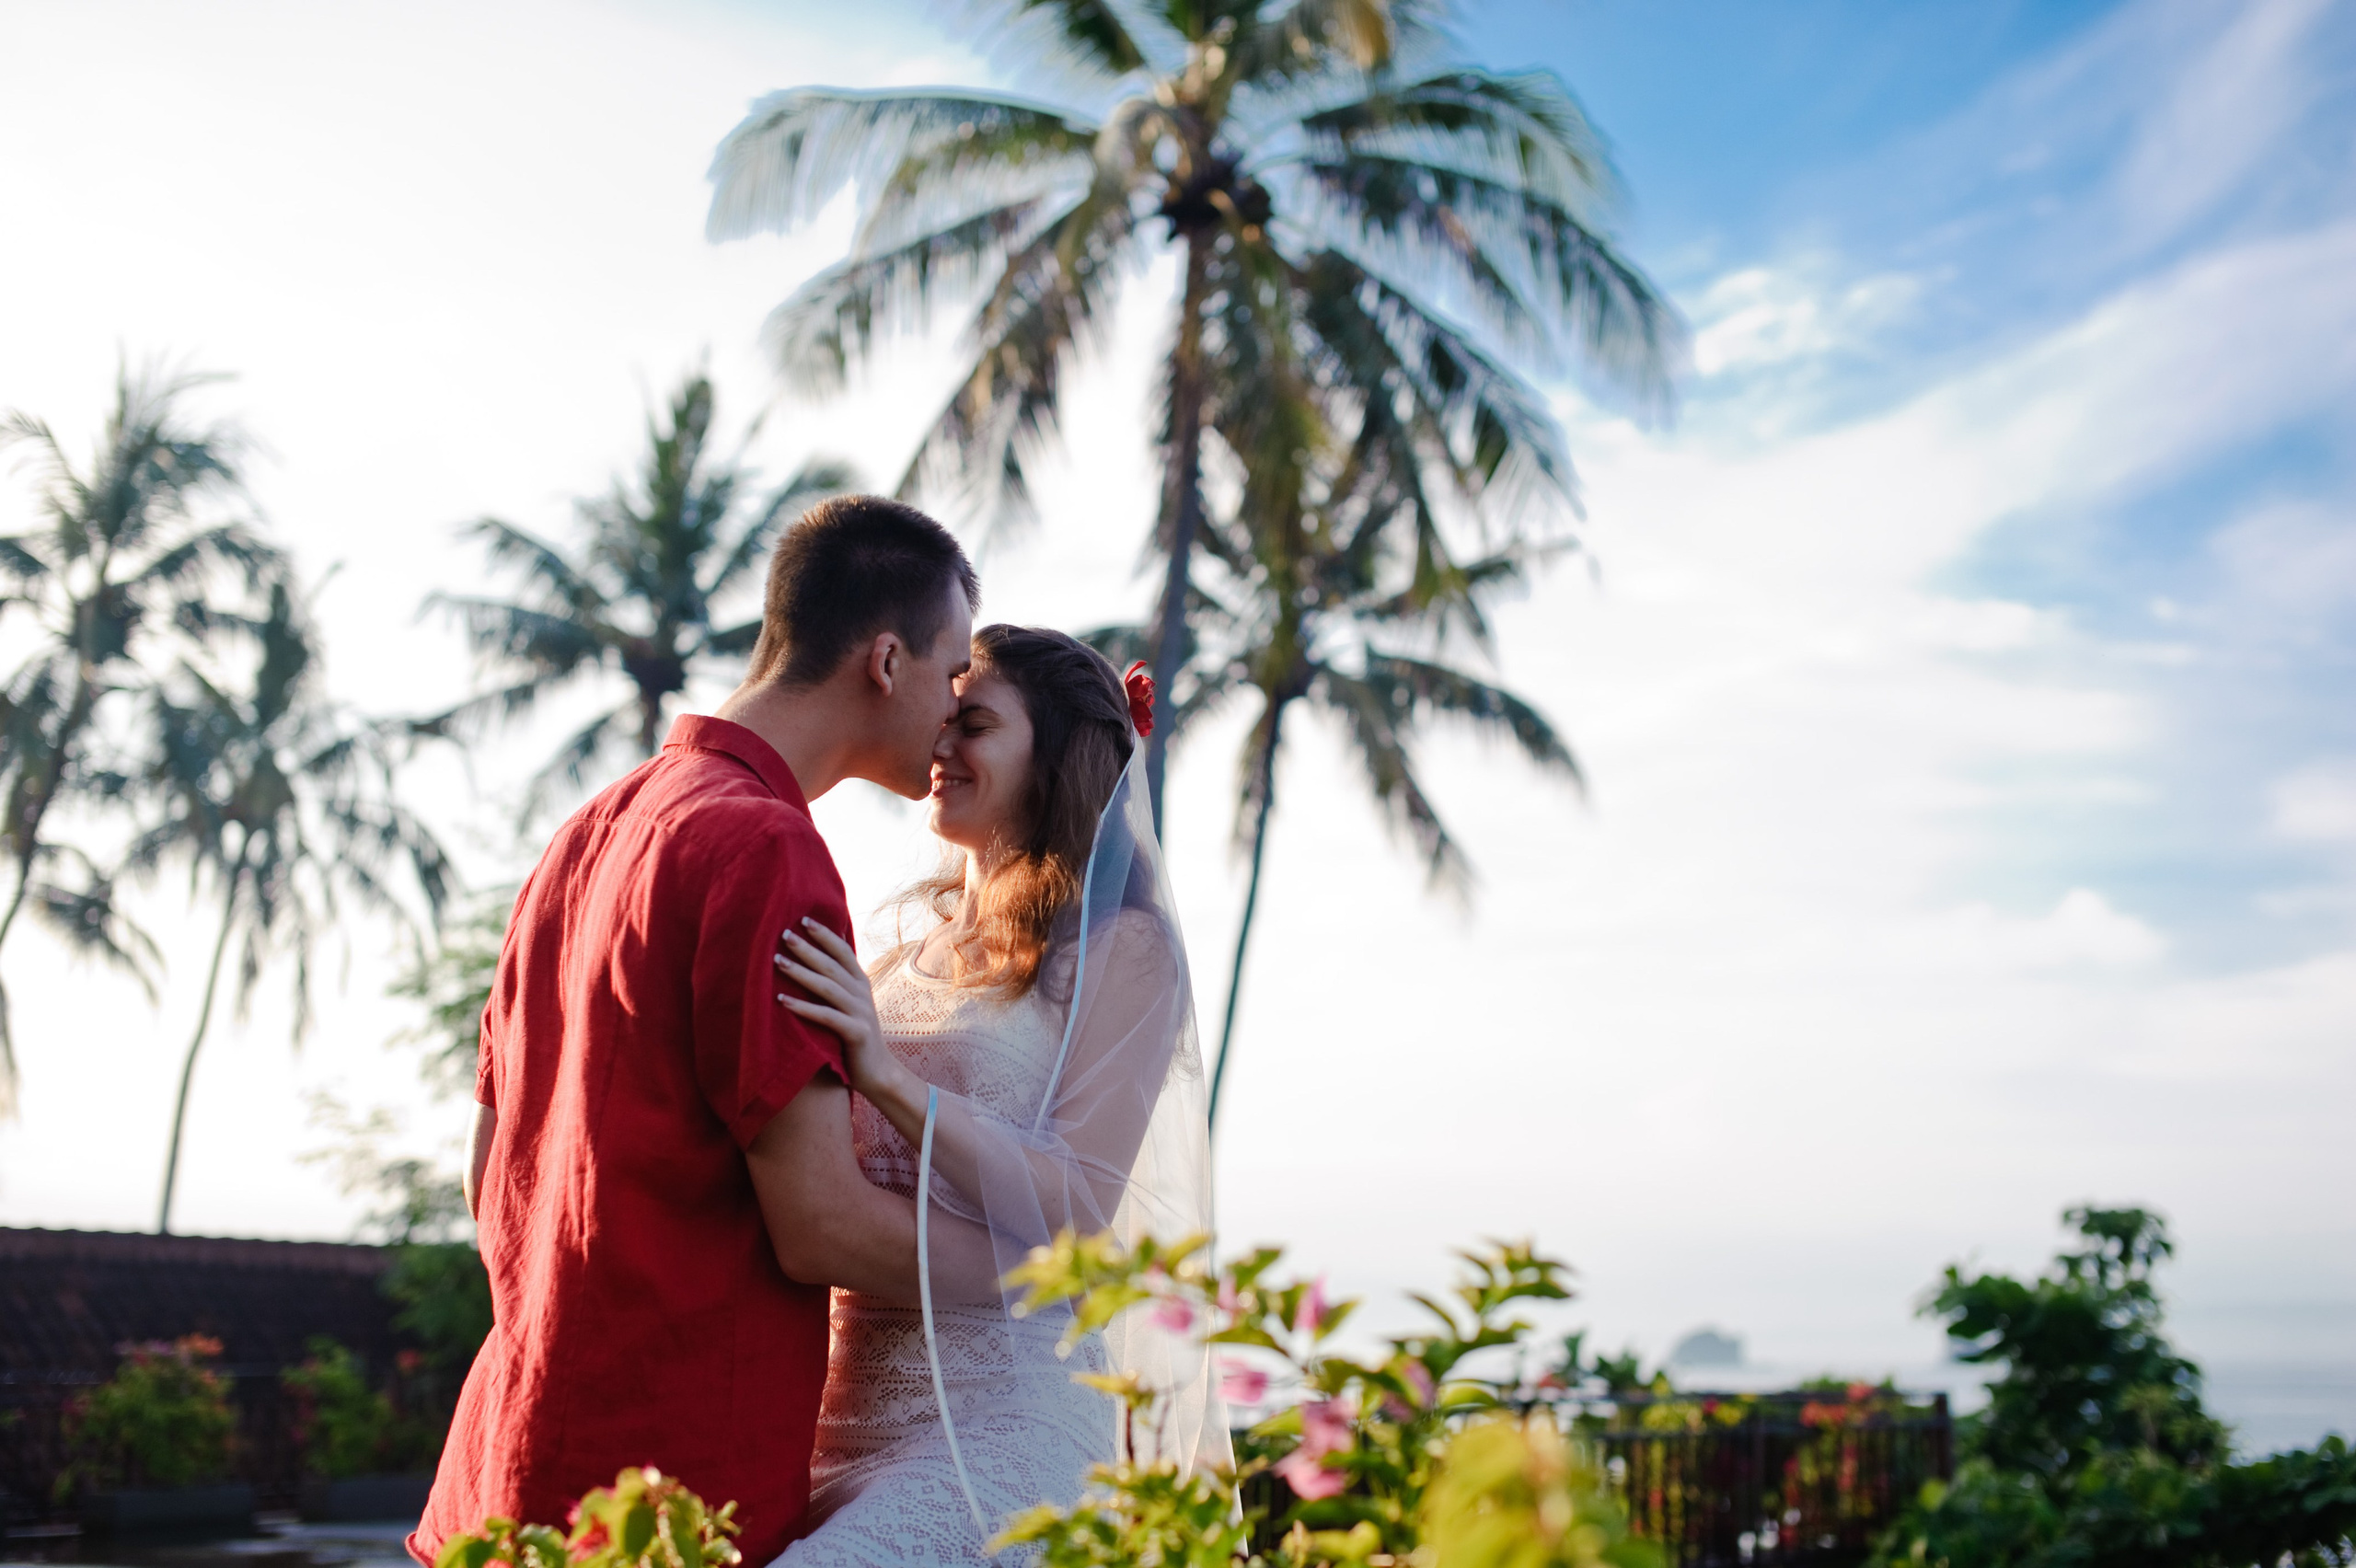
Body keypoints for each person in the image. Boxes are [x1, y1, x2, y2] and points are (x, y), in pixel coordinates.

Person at [409, 495, 1003, 1568]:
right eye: (952, 670)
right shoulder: (766, 849)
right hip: (664, 1495)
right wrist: (1044, 1276)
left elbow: (486, 1170)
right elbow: (819, 1223)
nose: (954, 711)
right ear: (884, 660)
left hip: (503, 1472)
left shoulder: (587, 831)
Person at [768, 625, 1222, 1567]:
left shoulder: (1122, 952)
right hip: (833, 1420)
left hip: (1007, 1424)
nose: (939, 742)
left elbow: (1076, 1205)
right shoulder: (893, 958)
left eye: (973, 723)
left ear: (1052, 753)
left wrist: (886, 1082)